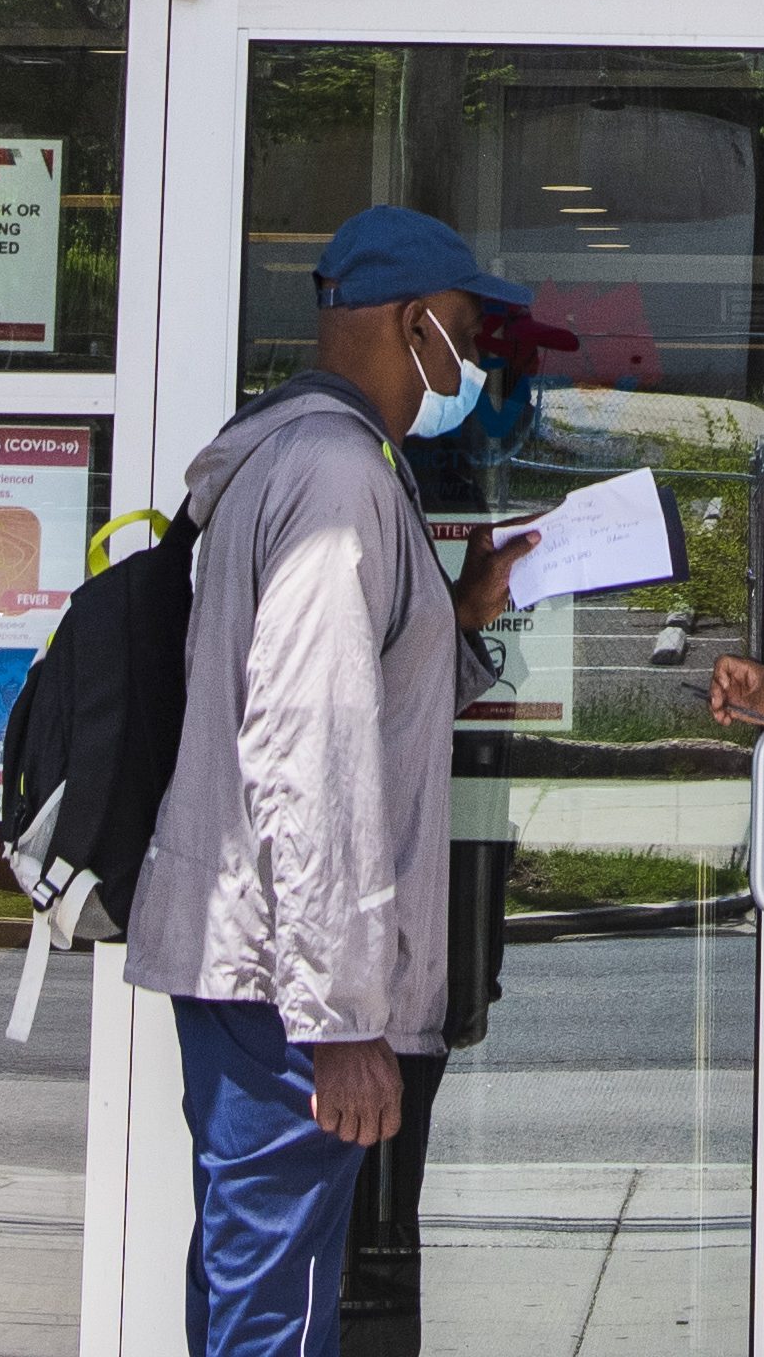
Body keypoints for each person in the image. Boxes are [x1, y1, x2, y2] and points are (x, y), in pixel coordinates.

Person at [128, 204, 541, 1357]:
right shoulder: (331, 476)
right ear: (415, 324)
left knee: (255, 1283)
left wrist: (455, 614)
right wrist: (343, 1020)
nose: (474, 364)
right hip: (282, 986)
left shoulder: (317, 461)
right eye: (467, 332)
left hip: (263, 972)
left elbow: (353, 696)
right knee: (275, 1303)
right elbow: (310, 753)